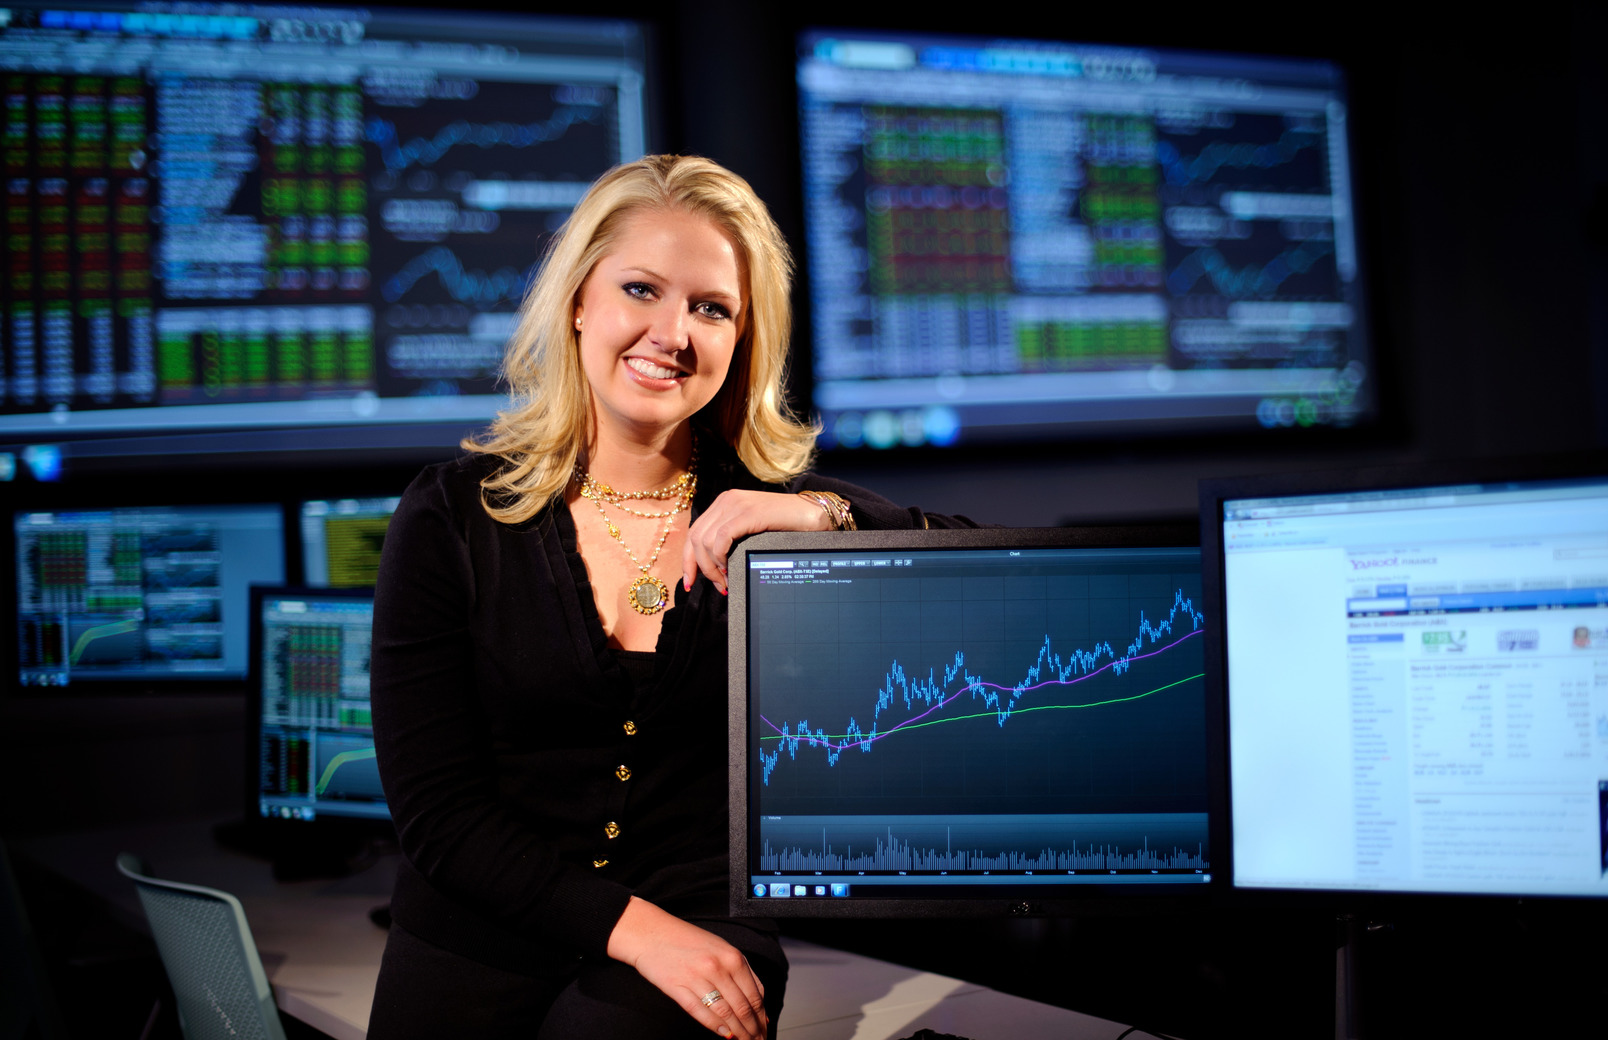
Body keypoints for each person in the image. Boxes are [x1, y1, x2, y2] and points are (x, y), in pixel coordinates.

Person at [367, 154, 978, 1040]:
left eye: (711, 308)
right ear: (579, 300)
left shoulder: (769, 519)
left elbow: (989, 573)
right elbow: (438, 814)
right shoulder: (451, 514)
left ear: (743, 339)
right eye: (642, 289)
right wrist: (633, 931)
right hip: (480, 931)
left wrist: (826, 514)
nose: (673, 333)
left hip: (699, 935)